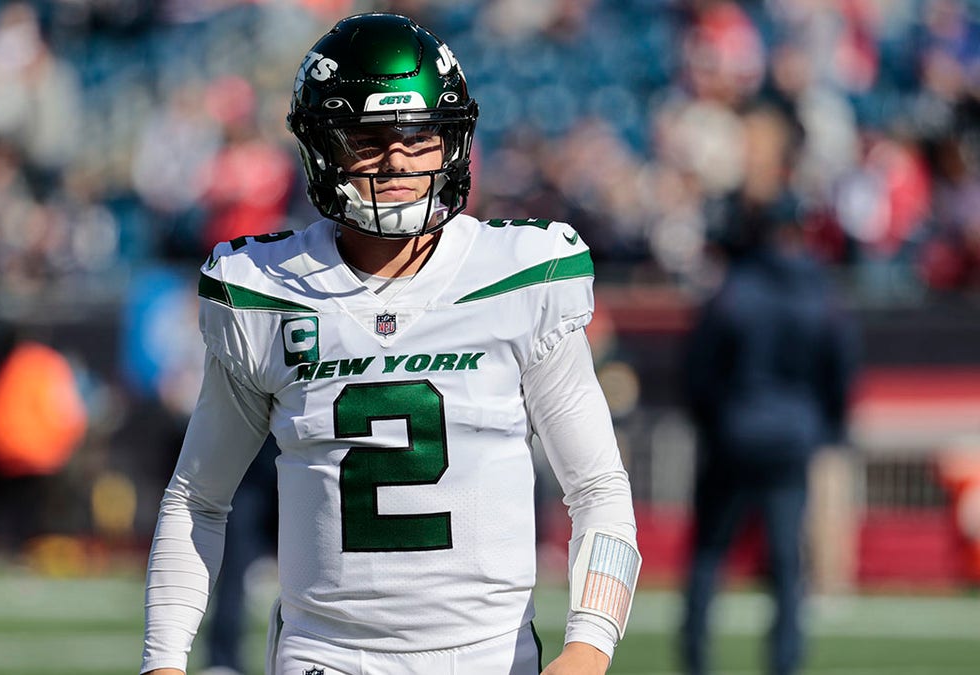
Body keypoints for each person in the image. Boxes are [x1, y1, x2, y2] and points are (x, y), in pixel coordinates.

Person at [141, 13, 639, 675]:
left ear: (452, 142)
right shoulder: (266, 290)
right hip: (330, 656)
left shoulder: (521, 276)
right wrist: (164, 660)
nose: (397, 159)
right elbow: (197, 497)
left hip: (491, 657)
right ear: (324, 148)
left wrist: (588, 648)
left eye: (417, 135)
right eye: (367, 139)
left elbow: (599, 487)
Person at [679, 189, 858, 675]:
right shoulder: (820, 293)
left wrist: (714, 423)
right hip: (791, 439)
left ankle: (696, 660)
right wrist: (823, 427)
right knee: (786, 563)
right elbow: (840, 371)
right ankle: (784, 664)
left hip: (733, 435)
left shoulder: (733, 290)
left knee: (709, 554)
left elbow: (698, 373)